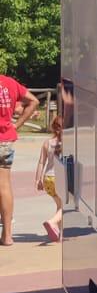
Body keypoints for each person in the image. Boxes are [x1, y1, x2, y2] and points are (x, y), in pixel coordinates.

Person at [0, 73, 40, 246]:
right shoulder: (9, 83)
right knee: (4, 186)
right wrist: (17, 125)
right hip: (5, 140)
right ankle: (7, 235)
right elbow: (34, 101)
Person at [34, 114, 64, 242]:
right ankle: (52, 222)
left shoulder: (47, 143)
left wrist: (38, 180)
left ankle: (60, 233)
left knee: (60, 205)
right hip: (61, 179)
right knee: (66, 207)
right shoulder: (68, 142)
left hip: (48, 180)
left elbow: (41, 162)